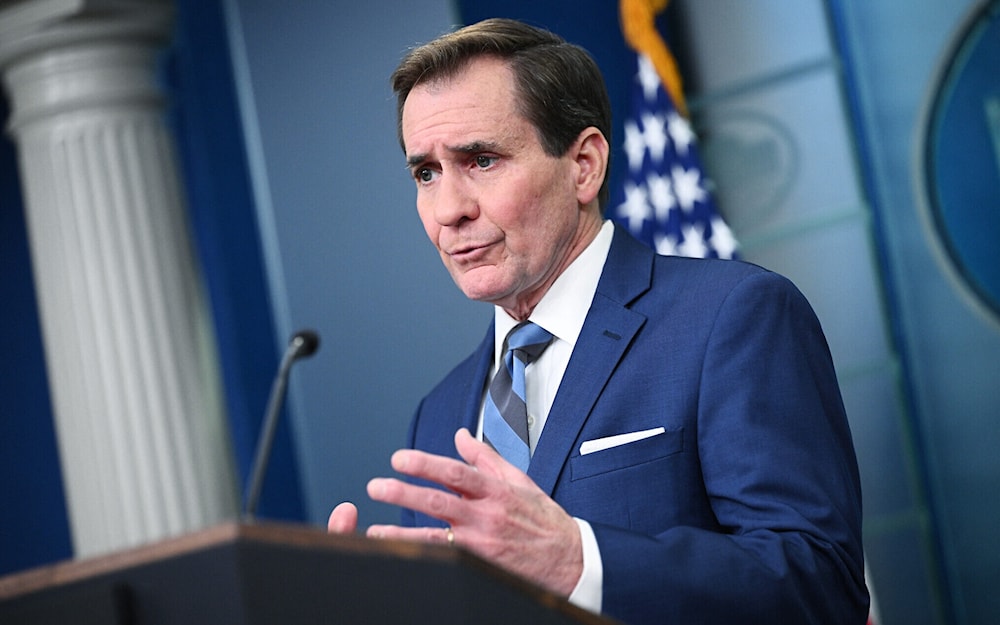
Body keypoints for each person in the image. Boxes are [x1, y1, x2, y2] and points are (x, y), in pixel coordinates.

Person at [327, 17, 868, 625]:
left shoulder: (731, 318)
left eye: (481, 159)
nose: (448, 209)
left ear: (584, 164)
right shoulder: (439, 413)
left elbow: (822, 584)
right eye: (425, 172)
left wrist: (578, 562)